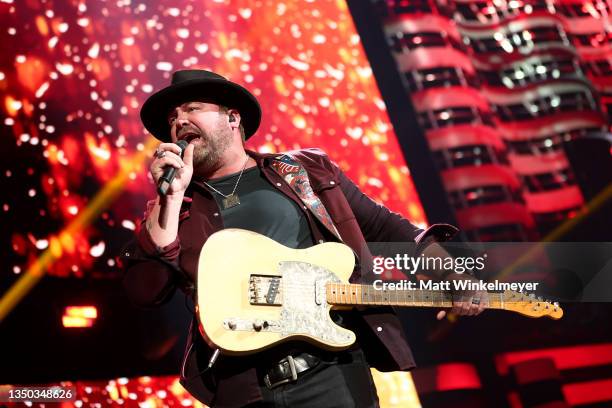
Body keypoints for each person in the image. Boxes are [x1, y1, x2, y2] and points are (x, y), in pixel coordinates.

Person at [122, 69, 485, 407]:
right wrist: (168, 201)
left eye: (192, 109)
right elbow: (144, 292)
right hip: (244, 390)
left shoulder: (304, 172)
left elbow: (386, 228)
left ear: (233, 118)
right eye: (172, 118)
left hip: (332, 375)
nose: (179, 121)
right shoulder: (172, 209)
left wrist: (450, 274)